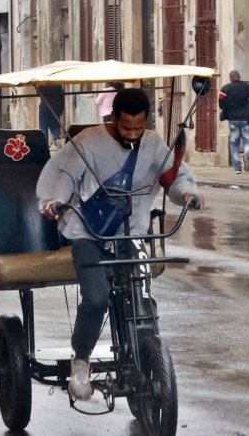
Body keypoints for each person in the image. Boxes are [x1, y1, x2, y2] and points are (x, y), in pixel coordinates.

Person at [37, 88, 200, 401]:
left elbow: (172, 177)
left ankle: (146, 352)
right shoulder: (87, 143)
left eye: (139, 128)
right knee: (96, 299)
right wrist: (53, 201)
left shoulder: (152, 144)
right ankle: (81, 361)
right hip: (89, 234)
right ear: (113, 118)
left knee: (143, 292)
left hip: (131, 233)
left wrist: (188, 195)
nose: (133, 134)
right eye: (127, 128)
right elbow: (62, 176)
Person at [218, 70, 249, 174]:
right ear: (239, 76)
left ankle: (237, 167)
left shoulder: (225, 88)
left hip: (233, 120)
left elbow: (221, 103)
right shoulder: (247, 85)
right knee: (248, 141)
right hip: (246, 119)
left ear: (230, 78)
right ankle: (246, 156)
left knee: (234, 144)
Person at [37, 84, 65, 148]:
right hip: (54, 108)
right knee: (55, 127)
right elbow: (61, 97)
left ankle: (45, 146)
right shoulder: (57, 85)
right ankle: (57, 140)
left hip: (44, 108)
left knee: (44, 128)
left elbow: (38, 92)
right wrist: (61, 109)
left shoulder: (42, 83)